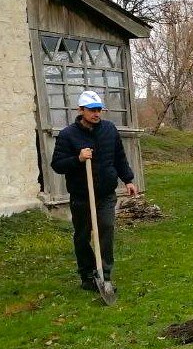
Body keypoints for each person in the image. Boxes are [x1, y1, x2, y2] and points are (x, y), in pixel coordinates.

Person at [51, 90, 138, 290]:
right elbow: (57, 165)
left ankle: (105, 275)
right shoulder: (67, 135)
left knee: (106, 229)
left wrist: (128, 179)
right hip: (81, 195)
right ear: (81, 110)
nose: (96, 114)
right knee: (82, 236)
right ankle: (87, 275)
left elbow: (119, 156)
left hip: (106, 193)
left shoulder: (109, 130)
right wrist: (78, 159)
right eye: (91, 110)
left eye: (98, 110)